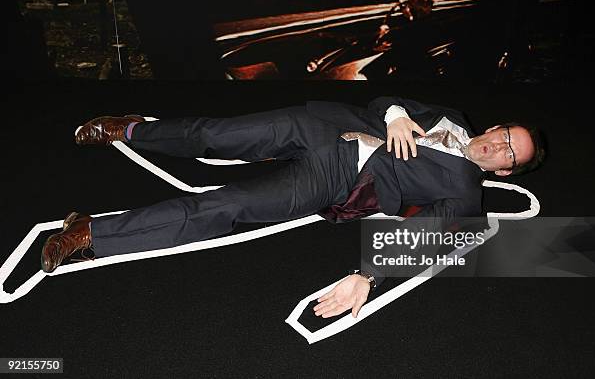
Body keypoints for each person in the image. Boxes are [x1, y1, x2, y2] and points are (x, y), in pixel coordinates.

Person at [40, 96, 544, 319]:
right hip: (322, 126)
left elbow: (426, 236)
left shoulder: (465, 195)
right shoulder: (451, 115)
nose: (499, 146)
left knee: (226, 207)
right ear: (493, 126)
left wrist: (367, 277)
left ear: (503, 172)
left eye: (509, 154)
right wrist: (394, 114)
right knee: (215, 136)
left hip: (338, 176)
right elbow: (384, 100)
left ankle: (91, 233)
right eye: (504, 135)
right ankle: (129, 129)